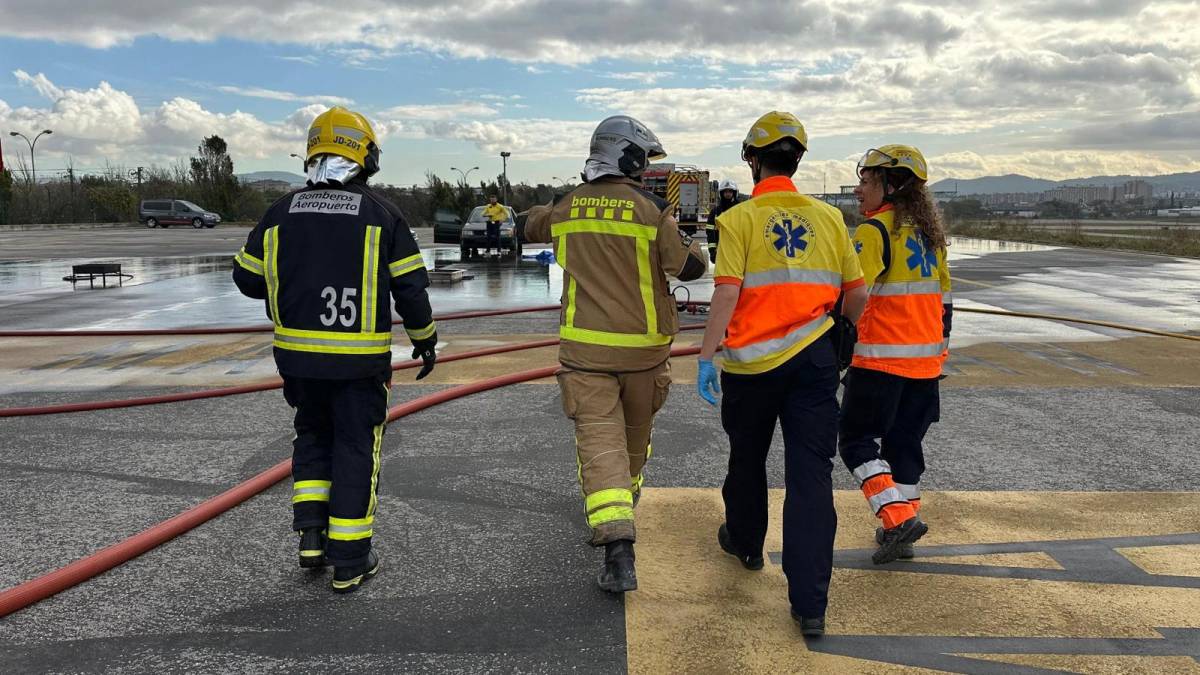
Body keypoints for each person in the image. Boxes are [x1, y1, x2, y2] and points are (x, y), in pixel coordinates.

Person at [232, 106, 438, 593]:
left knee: (311, 438)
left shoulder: (280, 212)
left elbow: (246, 279)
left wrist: (297, 280)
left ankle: (311, 540)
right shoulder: (383, 215)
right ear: (364, 155)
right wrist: (425, 339)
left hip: (298, 361)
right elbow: (411, 289)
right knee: (354, 448)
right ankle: (350, 560)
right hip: (359, 364)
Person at [696, 111, 867, 637]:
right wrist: (842, 334)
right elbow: (856, 294)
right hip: (814, 363)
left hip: (751, 369)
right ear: (797, 160)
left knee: (747, 460)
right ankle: (810, 604)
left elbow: (726, 292)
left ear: (753, 160)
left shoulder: (739, 220)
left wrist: (707, 355)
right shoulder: (830, 218)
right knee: (811, 478)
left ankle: (747, 545)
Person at [519, 114, 707, 593]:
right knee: (632, 442)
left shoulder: (567, 208)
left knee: (599, 441)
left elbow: (531, 227)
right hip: (645, 352)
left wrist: (556, 204)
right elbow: (688, 266)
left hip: (586, 352)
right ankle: (623, 508)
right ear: (628, 156)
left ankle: (618, 548)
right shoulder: (650, 209)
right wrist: (695, 242)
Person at [838, 144, 951, 564]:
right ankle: (902, 530)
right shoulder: (931, 238)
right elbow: (946, 303)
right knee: (904, 447)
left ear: (891, 184)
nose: (858, 189)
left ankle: (895, 518)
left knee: (855, 441)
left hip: (880, 362)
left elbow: (852, 294)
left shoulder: (875, 232)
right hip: (925, 367)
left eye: (866, 181)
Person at [704, 178, 742, 263]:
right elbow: (710, 232)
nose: (728, 194)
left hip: (738, 251)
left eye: (730, 191)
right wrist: (712, 251)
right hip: (721, 252)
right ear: (721, 193)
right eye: (725, 192)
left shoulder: (741, 210)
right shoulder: (715, 212)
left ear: (734, 193)